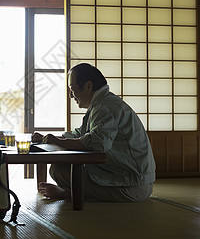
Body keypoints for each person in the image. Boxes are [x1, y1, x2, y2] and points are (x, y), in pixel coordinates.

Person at [32, 63, 156, 202]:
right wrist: (49, 138)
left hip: (133, 185)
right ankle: (72, 192)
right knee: (60, 169)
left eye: (72, 89)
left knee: (60, 171)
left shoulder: (106, 106)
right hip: (125, 178)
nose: (70, 96)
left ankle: (68, 194)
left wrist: (58, 141)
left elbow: (97, 143)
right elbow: (79, 134)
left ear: (89, 86)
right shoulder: (101, 104)